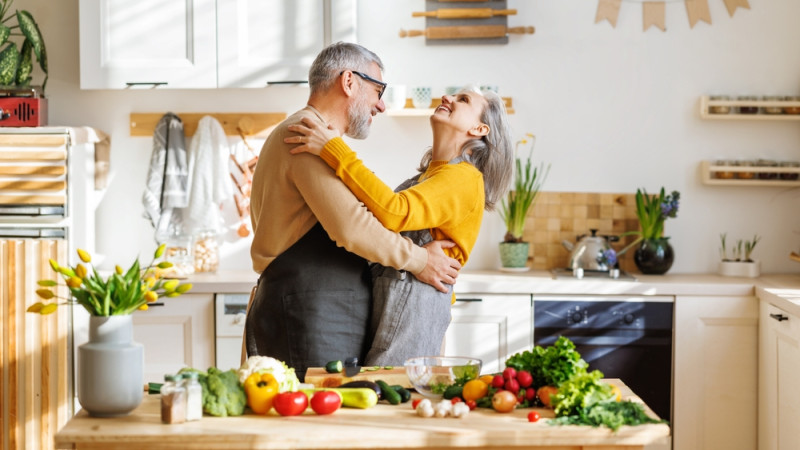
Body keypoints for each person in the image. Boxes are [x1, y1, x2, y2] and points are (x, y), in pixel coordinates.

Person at [245, 42, 462, 380]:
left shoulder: (320, 140)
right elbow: (353, 227)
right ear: (349, 82)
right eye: (378, 89)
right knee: (319, 426)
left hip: (318, 305)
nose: (381, 105)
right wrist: (422, 261)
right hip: (310, 309)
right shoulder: (303, 134)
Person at [284, 86, 514, 365]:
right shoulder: (431, 176)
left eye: (462, 99)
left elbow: (393, 212)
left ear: (479, 129)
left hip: (415, 305)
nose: (447, 97)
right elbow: (376, 216)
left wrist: (334, 149)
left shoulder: (464, 179)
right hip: (395, 300)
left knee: (390, 397)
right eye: (452, 94)